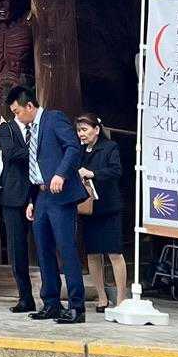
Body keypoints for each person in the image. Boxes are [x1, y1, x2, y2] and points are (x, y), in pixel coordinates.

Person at [10, 86, 87, 323]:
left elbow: (73, 147)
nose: (17, 117)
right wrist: (32, 200)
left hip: (59, 193)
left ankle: (76, 306)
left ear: (29, 106)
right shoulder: (31, 130)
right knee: (43, 250)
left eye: (17, 112)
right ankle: (51, 303)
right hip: (41, 194)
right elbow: (35, 164)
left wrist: (61, 174)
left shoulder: (53, 119)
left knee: (66, 248)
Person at [75, 112, 126, 312]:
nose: (81, 134)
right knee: (93, 253)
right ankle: (101, 297)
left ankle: (121, 298)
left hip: (109, 206)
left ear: (96, 130)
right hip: (89, 208)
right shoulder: (80, 151)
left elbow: (116, 171)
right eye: (79, 130)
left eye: (84, 129)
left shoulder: (110, 147)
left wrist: (92, 173)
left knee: (114, 252)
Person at [0, 90, 37, 313]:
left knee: (45, 246)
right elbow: (10, 154)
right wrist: (38, 150)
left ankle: (51, 296)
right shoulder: (6, 129)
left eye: (17, 110)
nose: (16, 115)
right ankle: (25, 296)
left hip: (39, 192)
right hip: (13, 196)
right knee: (17, 248)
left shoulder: (38, 127)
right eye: (13, 112)